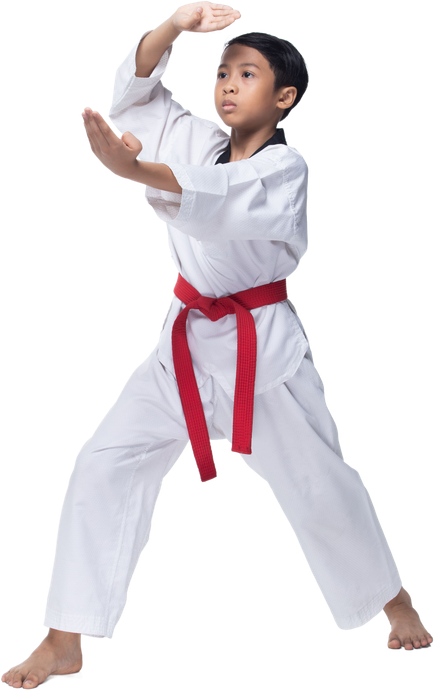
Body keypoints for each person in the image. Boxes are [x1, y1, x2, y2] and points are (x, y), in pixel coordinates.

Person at [2, 3, 432, 687]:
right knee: (104, 463)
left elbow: (219, 197)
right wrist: (174, 26)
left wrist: (135, 173)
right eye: (224, 72)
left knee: (321, 485)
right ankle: (64, 638)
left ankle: (394, 599)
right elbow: (138, 97)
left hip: (264, 357)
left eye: (249, 75)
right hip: (183, 341)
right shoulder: (200, 140)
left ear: (284, 97)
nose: (227, 85)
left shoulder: (285, 168)